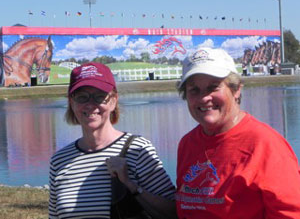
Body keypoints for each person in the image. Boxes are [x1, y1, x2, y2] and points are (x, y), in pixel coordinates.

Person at [175, 47, 300, 219]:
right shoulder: (187, 144)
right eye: (194, 90)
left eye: (213, 87)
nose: (204, 98)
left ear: (236, 90)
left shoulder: (265, 144)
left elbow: (291, 213)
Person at [49, 62, 177, 219]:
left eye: (99, 97)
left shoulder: (137, 150)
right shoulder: (59, 160)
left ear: (113, 101)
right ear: (71, 102)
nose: (90, 105)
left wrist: (131, 185)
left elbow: (173, 212)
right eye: (82, 97)